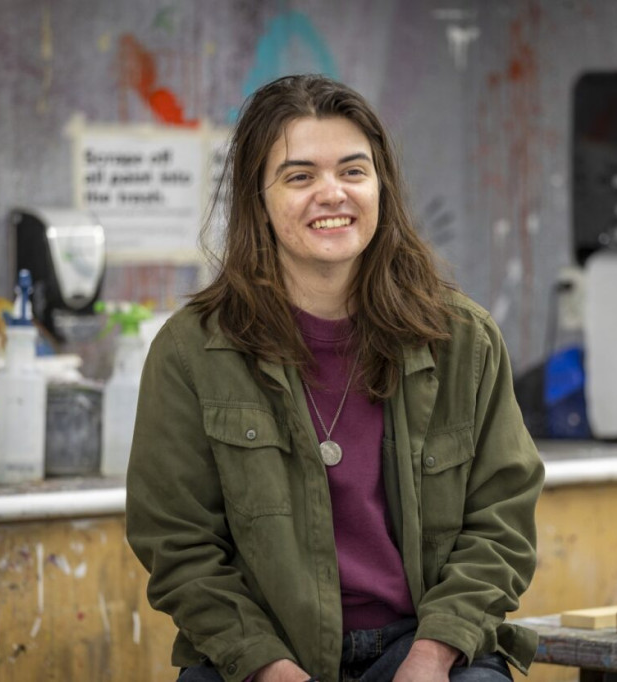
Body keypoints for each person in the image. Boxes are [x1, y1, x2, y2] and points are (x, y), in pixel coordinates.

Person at [126, 74, 544, 682]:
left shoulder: (462, 340)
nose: (333, 193)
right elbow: (177, 544)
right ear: (258, 200)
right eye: (300, 176)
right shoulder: (193, 350)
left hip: (424, 644)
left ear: (381, 186)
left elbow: (501, 521)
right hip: (258, 655)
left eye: (353, 171)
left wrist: (435, 653)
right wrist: (266, 665)